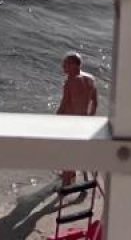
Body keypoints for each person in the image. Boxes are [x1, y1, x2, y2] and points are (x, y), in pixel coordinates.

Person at [55, 53, 100, 184]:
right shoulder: (91, 79)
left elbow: (64, 104)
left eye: (66, 64)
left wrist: (54, 120)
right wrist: (90, 118)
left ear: (75, 65)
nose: (63, 66)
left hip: (70, 121)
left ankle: (66, 183)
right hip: (84, 121)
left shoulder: (70, 81)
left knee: (66, 150)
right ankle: (71, 173)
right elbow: (95, 102)